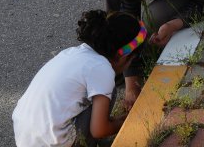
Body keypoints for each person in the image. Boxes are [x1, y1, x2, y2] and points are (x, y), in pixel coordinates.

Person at [11, 10, 146, 147]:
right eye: (131, 61)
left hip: (24, 137)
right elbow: (99, 130)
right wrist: (127, 122)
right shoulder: (103, 69)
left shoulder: (72, 52)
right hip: (54, 143)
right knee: (109, 91)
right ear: (123, 57)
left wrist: (113, 121)